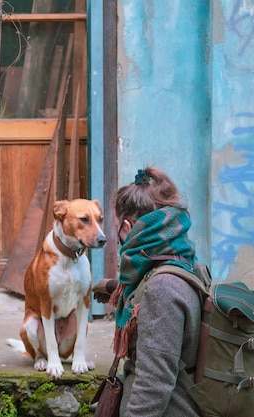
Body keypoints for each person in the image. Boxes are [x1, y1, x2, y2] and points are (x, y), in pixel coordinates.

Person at [93, 166, 202, 416]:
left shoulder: (161, 289)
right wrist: (114, 288)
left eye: (118, 226)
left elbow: (154, 384)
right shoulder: (182, 260)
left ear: (129, 227)